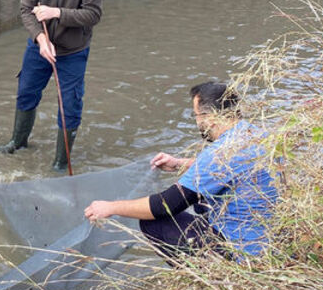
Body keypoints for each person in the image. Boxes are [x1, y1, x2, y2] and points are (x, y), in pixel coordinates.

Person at [83, 82, 278, 259]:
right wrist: (179, 164)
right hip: (269, 238)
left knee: (154, 222)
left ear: (209, 117)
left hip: (244, 251)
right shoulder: (256, 134)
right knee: (203, 201)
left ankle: (213, 274)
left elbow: (165, 204)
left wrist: (110, 207)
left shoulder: (219, 153)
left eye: (196, 115)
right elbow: (231, 169)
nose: (197, 122)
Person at [0, 0, 103, 171]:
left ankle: (60, 161)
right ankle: (18, 141)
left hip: (73, 51)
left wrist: (57, 13)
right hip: (39, 46)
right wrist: (40, 40)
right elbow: (26, 9)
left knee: (69, 105)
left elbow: (93, 14)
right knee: (26, 91)